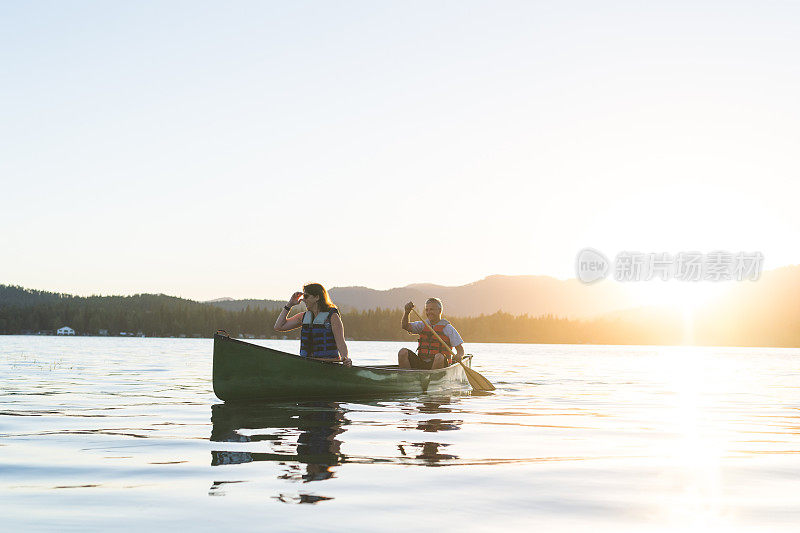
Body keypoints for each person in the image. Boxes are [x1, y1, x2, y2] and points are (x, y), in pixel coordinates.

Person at [274, 283, 352, 366]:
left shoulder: (332, 316)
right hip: (308, 364)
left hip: (328, 364)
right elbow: (279, 326)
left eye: (306, 296)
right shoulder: (303, 317)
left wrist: (345, 358)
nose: (303, 300)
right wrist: (289, 304)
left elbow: (340, 342)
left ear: (317, 297)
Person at [398, 298, 464, 370]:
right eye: (427, 310)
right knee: (402, 352)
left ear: (439, 310)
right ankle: (407, 378)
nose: (429, 312)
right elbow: (405, 326)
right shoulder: (422, 325)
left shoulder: (448, 328)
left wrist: (459, 356)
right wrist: (407, 312)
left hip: (440, 364)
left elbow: (460, 350)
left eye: (431, 309)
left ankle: (432, 379)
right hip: (422, 363)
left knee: (439, 357)